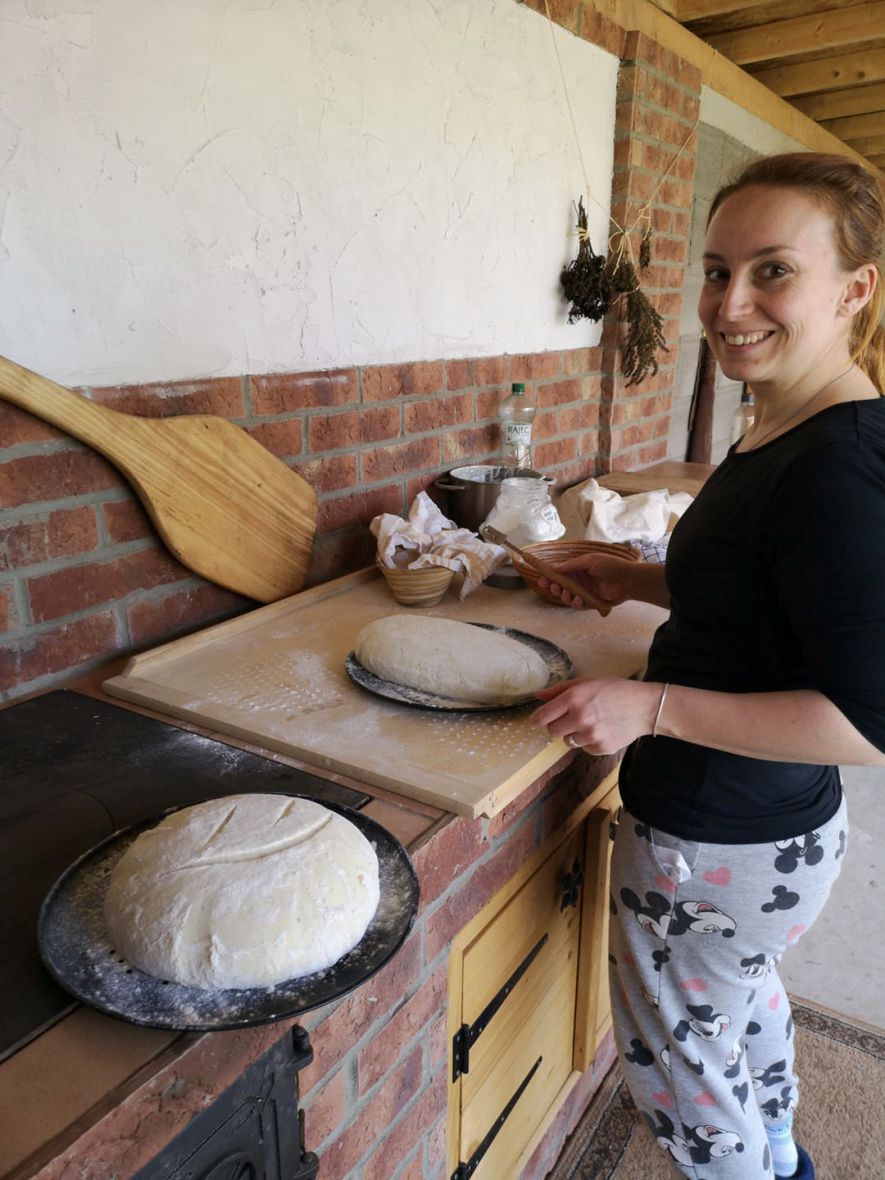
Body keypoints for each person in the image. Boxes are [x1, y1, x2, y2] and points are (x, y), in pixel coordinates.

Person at [532, 152, 885, 1180]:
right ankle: (782, 1158)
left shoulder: (838, 471)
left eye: (774, 270)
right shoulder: (785, 418)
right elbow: (763, 602)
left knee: (682, 1080)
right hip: (760, 839)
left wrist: (650, 708)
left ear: (854, 289)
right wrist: (624, 575)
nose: (730, 304)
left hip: (721, 840)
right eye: (718, 269)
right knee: (738, 1004)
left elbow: (866, 722)